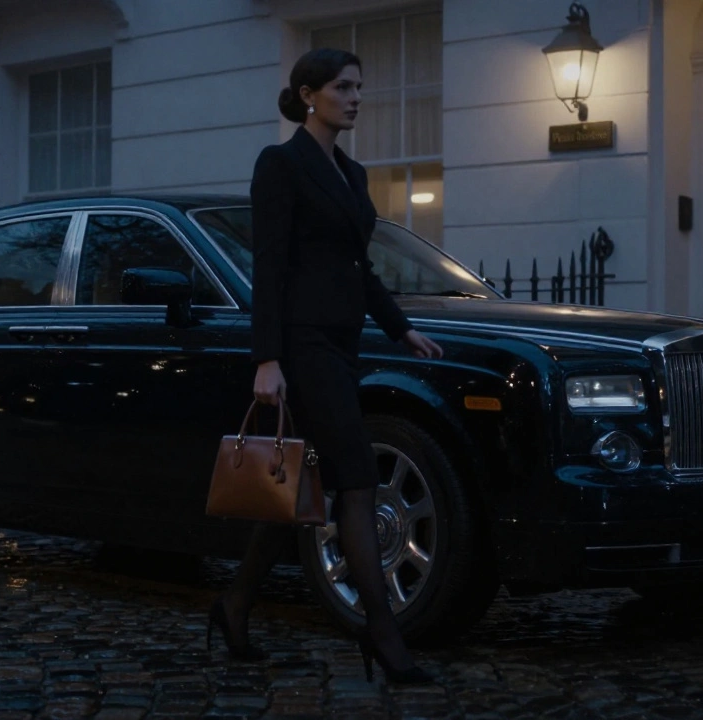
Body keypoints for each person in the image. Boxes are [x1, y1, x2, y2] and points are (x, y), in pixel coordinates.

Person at [205, 47, 444, 685]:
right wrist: (267, 359)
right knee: (358, 476)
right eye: (344, 86)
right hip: (302, 345)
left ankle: (233, 606)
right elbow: (271, 265)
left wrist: (402, 327)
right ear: (309, 95)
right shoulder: (280, 165)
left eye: (360, 86)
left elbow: (358, 268)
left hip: (343, 343)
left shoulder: (353, 173)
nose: (356, 97)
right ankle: (381, 630)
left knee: (299, 493)